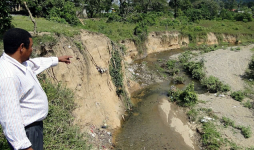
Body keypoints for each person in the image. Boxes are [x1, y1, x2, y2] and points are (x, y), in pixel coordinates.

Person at [0, 28, 72, 150]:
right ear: (22, 47)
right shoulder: (8, 76)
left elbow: (35, 64)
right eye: (31, 46)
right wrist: (25, 146)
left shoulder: (19, 63)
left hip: (33, 129)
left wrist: (56, 59)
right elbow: (9, 116)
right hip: (27, 132)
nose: (32, 50)